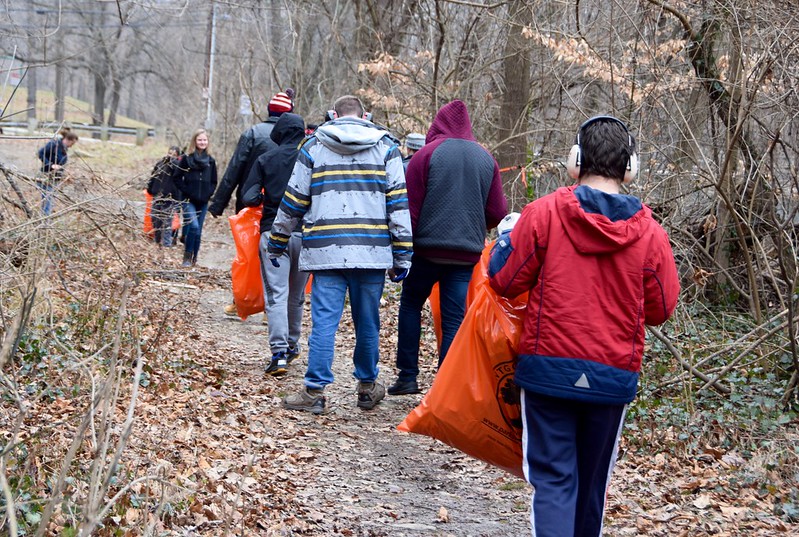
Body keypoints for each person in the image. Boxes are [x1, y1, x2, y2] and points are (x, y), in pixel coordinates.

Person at [488, 116, 680, 536]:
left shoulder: (542, 215)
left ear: (575, 161)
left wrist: (506, 240)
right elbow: (661, 306)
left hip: (548, 371)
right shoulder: (650, 234)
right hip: (611, 376)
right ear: (630, 167)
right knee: (592, 487)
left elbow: (504, 280)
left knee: (554, 482)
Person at [267, 95, 412, 414]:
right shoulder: (386, 148)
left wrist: (277, 240)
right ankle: (367, 386)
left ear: (334, 115)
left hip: (326, 251)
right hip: (371, 253)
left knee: (324, 323)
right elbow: (398, 206)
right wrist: (403, 255)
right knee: (368, 323)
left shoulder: (314, 147)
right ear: (366, 116)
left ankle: (314, 391)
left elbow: (293, 200)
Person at [387, 100, 508, 396]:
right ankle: (445, 387)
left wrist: (400, 251)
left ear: (437, 125)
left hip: (426, 251)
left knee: (412, 304)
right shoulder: (485, 159)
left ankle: (408, 376)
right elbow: (497, 212)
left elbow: (409, 211)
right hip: (465, 254)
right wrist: (476, 224)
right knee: (454, 317)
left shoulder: (426, 155)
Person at [209, 89, 296, 316]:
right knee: (277, 257)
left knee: (247, 256)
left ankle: (241, 301)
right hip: (284, 207)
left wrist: (219, 203)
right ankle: (272, 309)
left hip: (251, 205)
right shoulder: (295, 140)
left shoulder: (253, 133)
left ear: (269, 111)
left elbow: (234, 170)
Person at [240, 112, 310, 376]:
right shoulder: (311, 159)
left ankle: (279, 354)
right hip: (306, 237)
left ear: (278, 133)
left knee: (277, 295)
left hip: (273, 235)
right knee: (297, 296)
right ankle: (292, 346)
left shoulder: (266, 159)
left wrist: (262, 196)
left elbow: (248, 197)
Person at [172, 129, 217, 267]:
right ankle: (187, 255)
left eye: (204, 140)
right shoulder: (187, 158)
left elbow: (214, 181)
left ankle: (194, 258)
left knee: (198, 232)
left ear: (207, 142)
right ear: (195, 141)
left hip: (203, 201)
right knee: (193, 226)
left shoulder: (211, 161)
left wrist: (208, 193)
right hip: (188, 200)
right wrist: (187, 190)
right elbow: (177, 177)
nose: (202, 142)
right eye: (200, 140)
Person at [146, 146, 182, 247]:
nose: (171, 156)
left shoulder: (178, 167)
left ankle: (167, 244)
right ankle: (157, 241)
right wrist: (150, 188)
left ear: (178, 156)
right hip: (158, 195)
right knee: (155, 218)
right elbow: (153, 176)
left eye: (174, 155)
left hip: (170, 198)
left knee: (167, 222)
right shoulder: (160, 163)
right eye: (170, 154)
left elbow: (179, 180)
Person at [37, 131, 79, 215]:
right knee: (48, 198)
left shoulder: (64, 149)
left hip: (55, 178)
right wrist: (50, 165)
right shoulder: (54, 144)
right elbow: (40, 153)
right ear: (68, 140)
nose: (72, 146)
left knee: (50, 198)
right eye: (72, 143)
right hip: (46, 175)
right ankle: (45, 219)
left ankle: (45, 216)